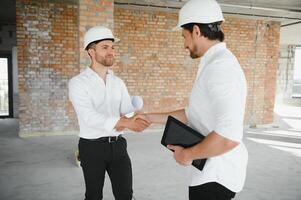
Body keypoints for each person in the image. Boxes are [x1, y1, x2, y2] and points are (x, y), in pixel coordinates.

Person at [144, 0, 248, 199]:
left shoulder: (221, 69)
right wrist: (150, 117)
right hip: (208, 173)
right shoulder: (213, 63)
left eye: (184, 36)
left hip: (216, 176)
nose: (184, 44)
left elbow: (229, 136)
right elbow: (193, 114)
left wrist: (187, 155)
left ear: (197, 31)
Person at [68, 26, 150, 200]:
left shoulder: (118, 82)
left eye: (112, 47)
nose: (111, 52)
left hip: (118, 146)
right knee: (93, 196)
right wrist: (126, 123)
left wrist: (134, 109)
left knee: (125, 195)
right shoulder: (78, 83)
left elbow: (127, 113)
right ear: (91, 51)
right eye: (105, 47)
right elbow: (89, 117)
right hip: (91, 148)